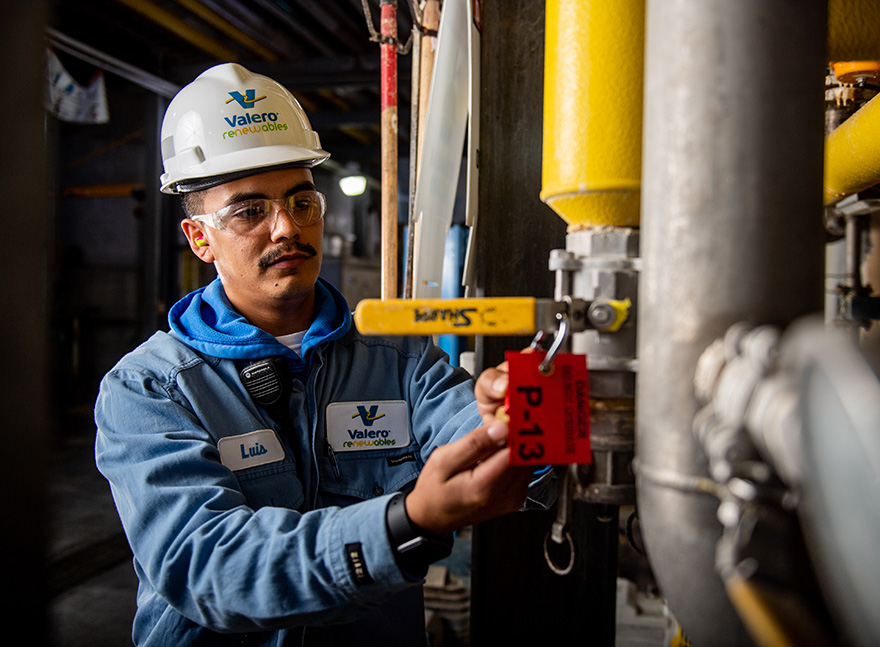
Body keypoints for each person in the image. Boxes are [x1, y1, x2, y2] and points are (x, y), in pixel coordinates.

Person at [94, 62, 549, 646]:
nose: (286, 227)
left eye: (301, 201)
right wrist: (405, 524)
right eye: (249, 210)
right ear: (200, 238)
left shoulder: (401, 360)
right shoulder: (149, 389)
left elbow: (523, 464)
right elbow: (204, 566)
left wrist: (525, 412)